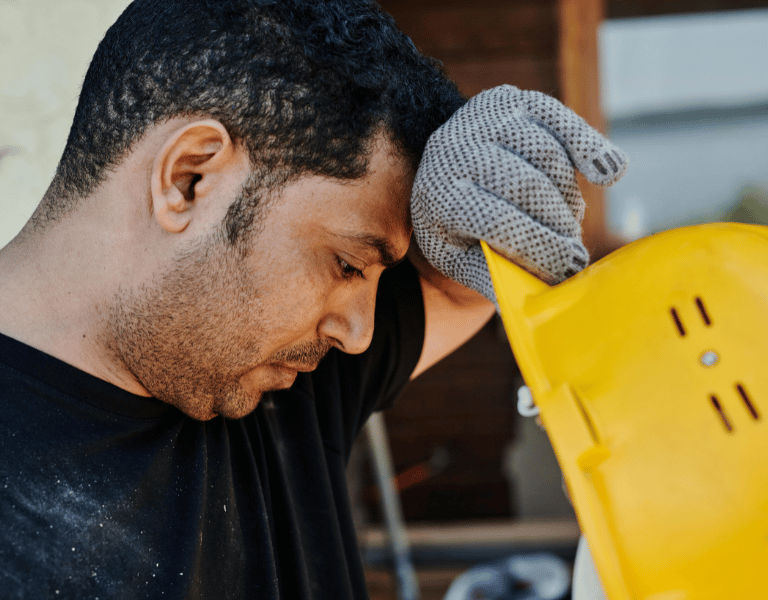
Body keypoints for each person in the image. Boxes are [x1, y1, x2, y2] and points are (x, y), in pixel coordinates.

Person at [0, 0, 626, 597]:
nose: (358, 333)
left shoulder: (267, 376)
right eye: (349, 263)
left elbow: (459, 292)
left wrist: (469, 182)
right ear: (190, 178)